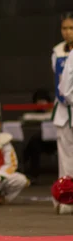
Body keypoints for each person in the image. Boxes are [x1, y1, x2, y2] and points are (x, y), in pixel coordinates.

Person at [53, 18, 73, 214]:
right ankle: (66, 196)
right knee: (65, 156)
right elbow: (62, 84)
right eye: (65, 28)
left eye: (71, 28)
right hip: (63, 107)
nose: (67, 32)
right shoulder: (57, 51)